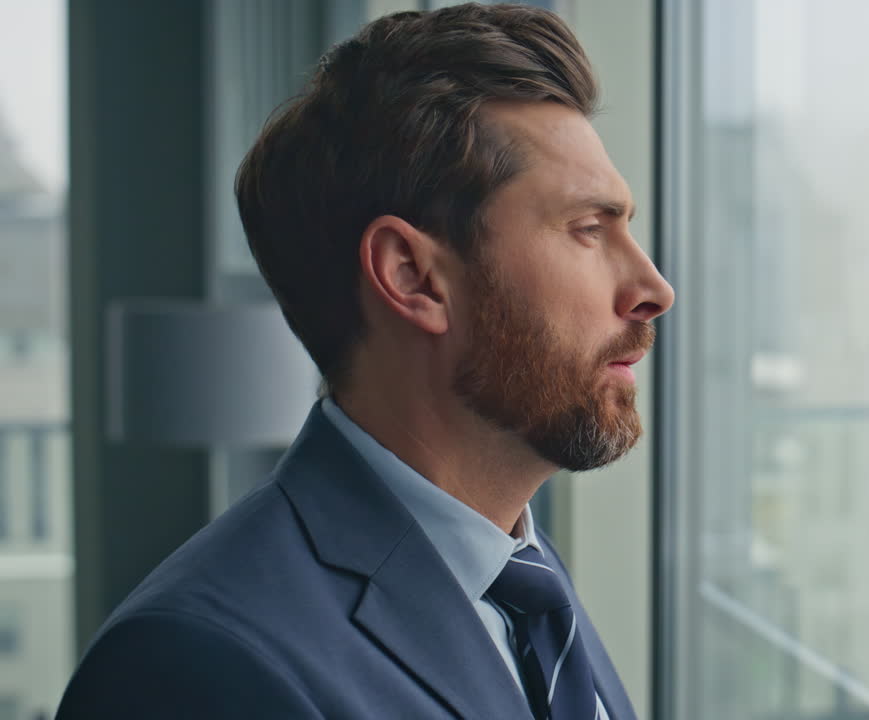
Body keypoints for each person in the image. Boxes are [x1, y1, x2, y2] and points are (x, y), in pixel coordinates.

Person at [55, 4, 673, 719]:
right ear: (410, 276)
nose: (654, 289)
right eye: (589, 230)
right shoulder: (192, 664)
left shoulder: (523, 586)